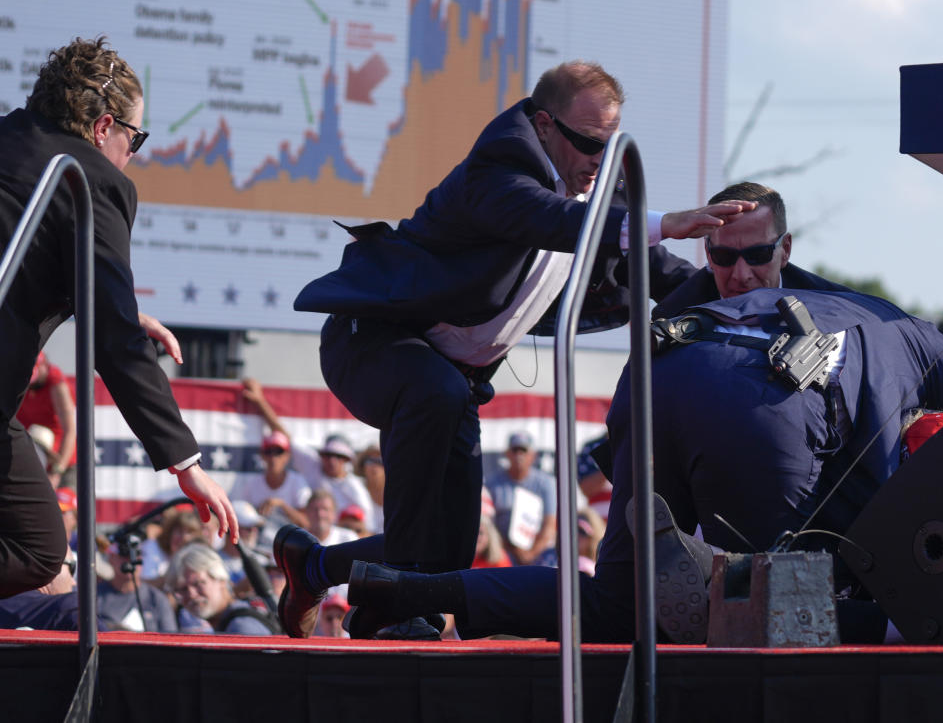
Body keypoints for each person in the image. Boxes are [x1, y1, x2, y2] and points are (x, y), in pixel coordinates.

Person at [343, 232, 943, 644]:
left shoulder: (840, 314)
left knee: (615, 603)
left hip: (660, 368)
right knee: (796, 605)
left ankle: (407, 591)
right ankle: (722, 584)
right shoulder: (913, 338)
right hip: (763, 401)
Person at [278, 60, 755, 638]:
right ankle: (387, 614)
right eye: (585, 142)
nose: (597, 161)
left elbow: (658, 269)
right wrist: (663, 221)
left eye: (609, 146)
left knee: (451, 543)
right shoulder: (500, 164)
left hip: (451, 379)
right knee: (437, 405)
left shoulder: (602, 188)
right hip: (373, 343)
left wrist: (755, 291)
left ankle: (314, 566)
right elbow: (553, 220)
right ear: (544, 125)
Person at [0, 37, 238, 596]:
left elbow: (27, 255)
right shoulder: (89, 179)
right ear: (105, 127)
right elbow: (114, 347)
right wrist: (185, 464)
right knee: (39, 550)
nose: (135, 154)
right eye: (136, 138)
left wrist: (128, 312)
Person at [168, 542, 277, 635]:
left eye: (198, 584)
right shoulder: (229, 623)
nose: (191, 594)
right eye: (182, 589)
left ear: (220, 579)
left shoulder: (240, 627)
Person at [486, 431, 557, 565]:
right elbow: (489, 526)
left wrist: (531, 554)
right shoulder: (492, 484)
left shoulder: (546, 483)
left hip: (539, 553)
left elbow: (549, 525)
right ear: (507, 454)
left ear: (533, 455)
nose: (519, 455)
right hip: (503, 551)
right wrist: (511, 550)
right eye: (515, 450)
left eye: (523, 450)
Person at [231, 428, 311, 533]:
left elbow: (307, 523)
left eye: (278, 452)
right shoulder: (252, 484)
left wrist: (282, 505)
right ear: (262, 455)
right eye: (269, 452)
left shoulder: (298, 483)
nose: (273, 458)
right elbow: (242, 520)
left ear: (287, 456)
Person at [16, 353, 76, 486]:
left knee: (64, 502)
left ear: (44, 366)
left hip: (62, 462)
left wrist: (57, 470)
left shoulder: (56, 384)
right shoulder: (19, 382)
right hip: (32, 459)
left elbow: (70, 430)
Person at [96, 535, 177, 633]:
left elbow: (170, 637)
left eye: (136, 555)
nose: (130, 561)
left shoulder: (157, 599)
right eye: (124, 555)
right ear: (111, 558)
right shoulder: (95, 596)